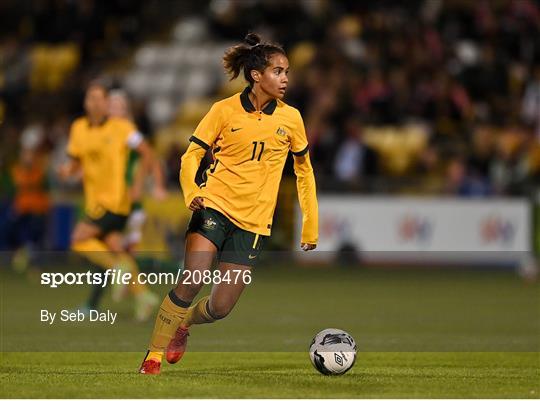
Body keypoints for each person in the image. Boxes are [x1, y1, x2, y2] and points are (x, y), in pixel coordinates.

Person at [139, 33, 318, 374]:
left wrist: (309, 224)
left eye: (287, 72)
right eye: (278, 71)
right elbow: (191, 156)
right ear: (256, 75)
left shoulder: (292, 119)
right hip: (214, 205)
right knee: (193, 278)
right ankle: (153, 356)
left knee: (221, 307)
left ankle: (183, 324)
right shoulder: (223, 110)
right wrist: (192, 192)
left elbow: (304, 172)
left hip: (253, 222)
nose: (285, 79)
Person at [58, 81, 160, 321]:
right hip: (94, 203)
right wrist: (68, 171)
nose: (94, 103)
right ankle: (143, 295)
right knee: (115, 247)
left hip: (114, 202)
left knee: (78, 240)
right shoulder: (78, 128)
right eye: (89, 98)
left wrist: (137, 186)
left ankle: (117, 270)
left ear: (106, 103)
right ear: (85, 102)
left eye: (99, 98)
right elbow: (76, 162)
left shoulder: (122, 128)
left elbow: (147, 152)